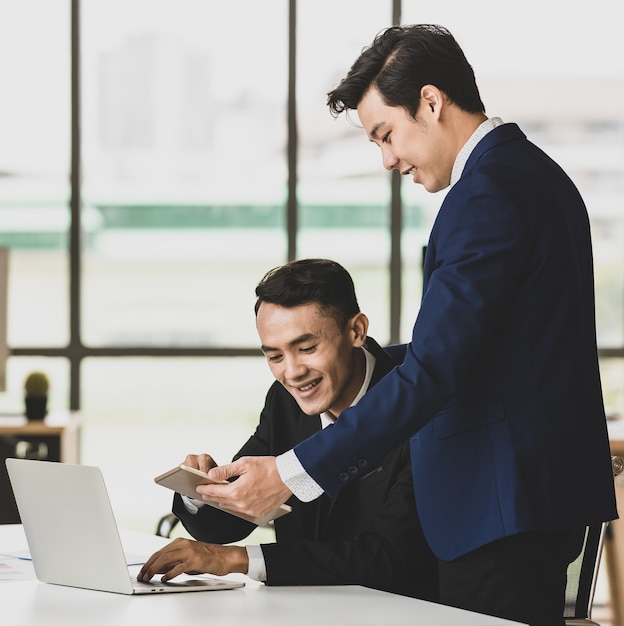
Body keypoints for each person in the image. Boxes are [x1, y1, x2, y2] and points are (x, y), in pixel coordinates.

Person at [197, 24, 618, 626]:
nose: (388, 159)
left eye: (386, 135)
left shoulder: (486, 196)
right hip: (519, 501)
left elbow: (433, 370)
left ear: (430, 100)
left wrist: (293, 474)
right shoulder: (527, 175)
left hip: (497, 508)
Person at [138, 258, 439, 600]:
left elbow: (389, 558)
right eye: (275, 356)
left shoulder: (417, 404)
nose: (292, 373)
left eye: (307, 348)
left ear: (356, 331)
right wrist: (200, 492)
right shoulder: (285, 401)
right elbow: (236, 517)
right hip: (300, 610)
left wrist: (235, 560)